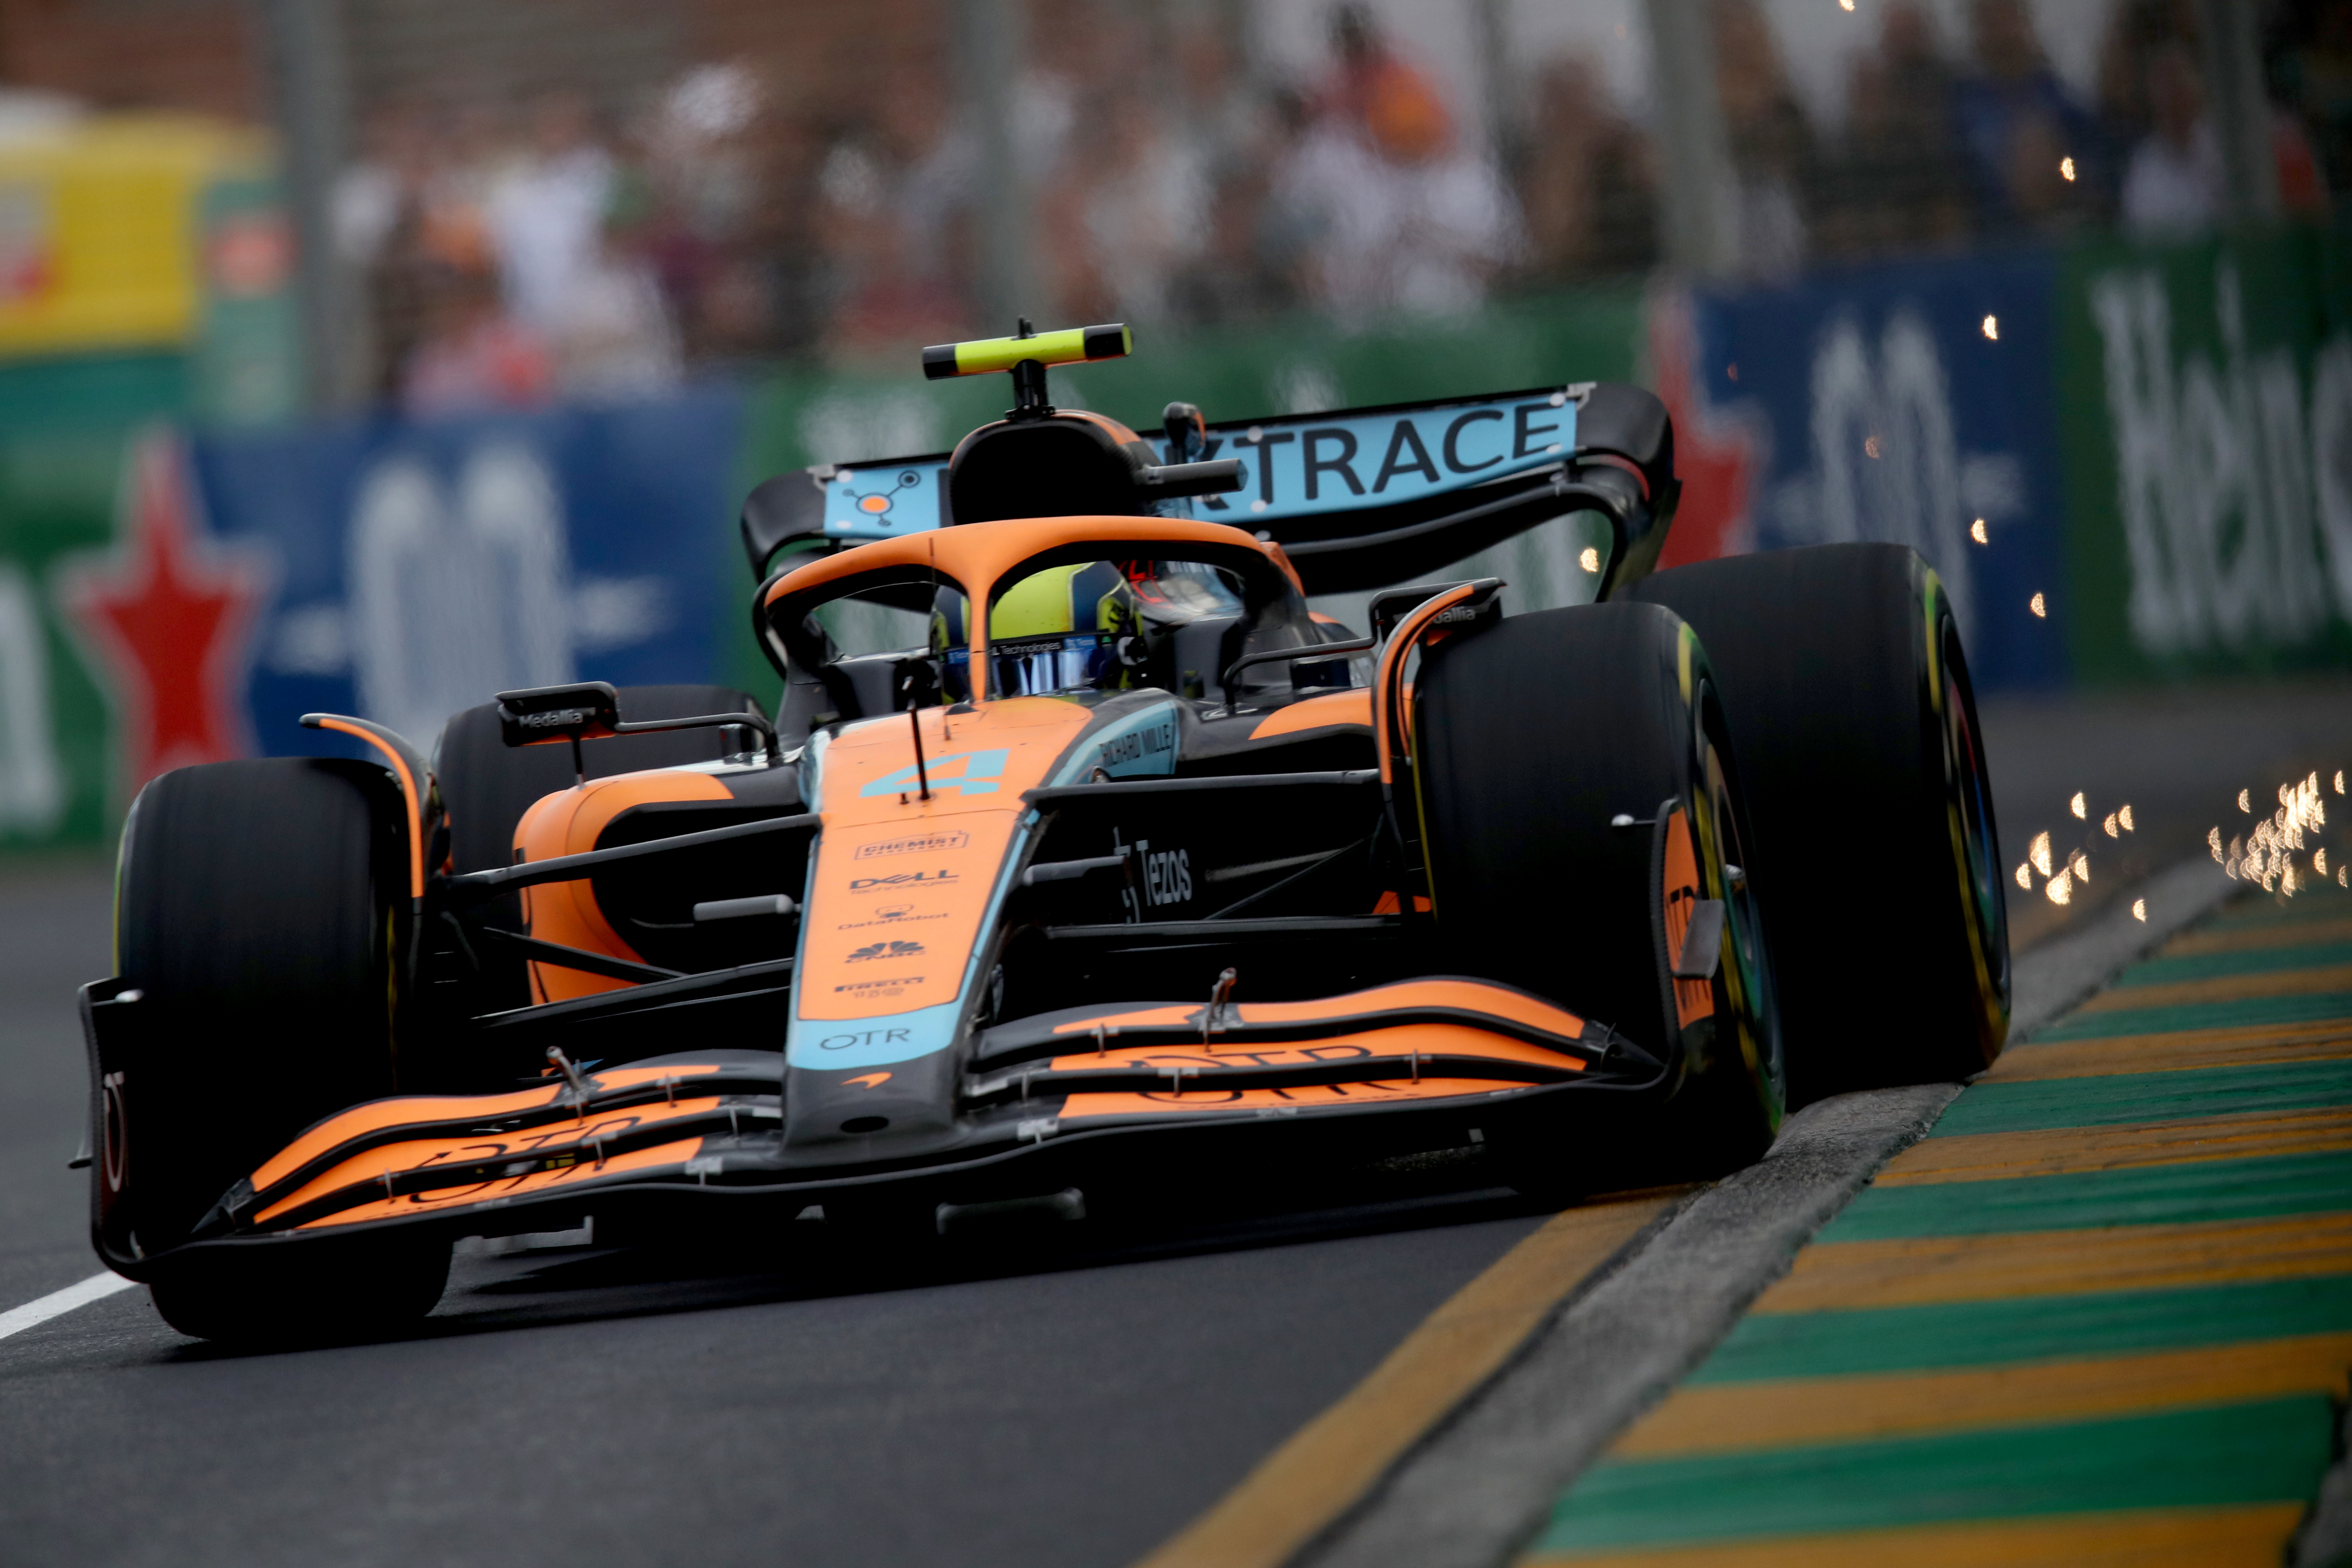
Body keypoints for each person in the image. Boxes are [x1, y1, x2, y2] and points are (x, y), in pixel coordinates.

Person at [1953, 0, 2103, 234]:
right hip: (1992, 243)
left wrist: (2060, 171)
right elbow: (1958, 183)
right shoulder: (1963, 107)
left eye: (2007, 18)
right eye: (1990, 21)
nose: (2001, 32)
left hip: (2062, 235)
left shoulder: (2058, 101)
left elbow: (2080, 166)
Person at [2121, 42, 2223, 234]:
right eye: (2166, 88)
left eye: (2180, 82)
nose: (2174, 95)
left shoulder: (2225, 149)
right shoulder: (2143, 170)